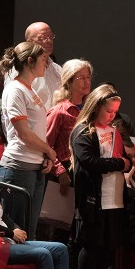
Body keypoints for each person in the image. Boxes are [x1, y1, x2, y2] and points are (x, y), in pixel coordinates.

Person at [69, 85, 132, 269]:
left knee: (106, 248)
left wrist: (125, 162)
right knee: (91, 245)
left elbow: (126, 159)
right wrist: (119, 164)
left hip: (114, 198)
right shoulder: (83, 132)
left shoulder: (114, 131)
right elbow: (90, 162)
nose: (112, 116)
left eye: (115, 112)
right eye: (108, 111)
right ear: (95, 107)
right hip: (93, 200)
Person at [0, 42, 57, 239]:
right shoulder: (15, 89)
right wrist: (49, 150)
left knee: (30, 233)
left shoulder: (30, 90)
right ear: (30, 61)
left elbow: (37, 131)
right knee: (18, 234)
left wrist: (44, 154)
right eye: (43, 59)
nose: (46, 64)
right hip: (18, 168)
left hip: (34, 166)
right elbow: (24, 133)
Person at [46, 59, 94, 197]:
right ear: (69, 81)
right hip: (68, 171)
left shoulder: (91, 110)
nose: (87, 82)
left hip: (88, 169)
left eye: (88, 77)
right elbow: (46, 146)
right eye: (81, 78)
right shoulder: (59, 111)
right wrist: (60, 172)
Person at [5, 22, 61, 112]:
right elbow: (11, 106)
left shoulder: (58, 70)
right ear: (29, 42)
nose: (49, 41)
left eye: (51, 36)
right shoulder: (20, 70)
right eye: (42, 38)